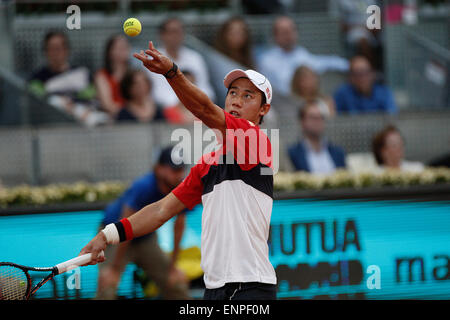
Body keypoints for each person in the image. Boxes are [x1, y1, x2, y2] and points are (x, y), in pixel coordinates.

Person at [79, 40, 277, 300]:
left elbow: (205, 109)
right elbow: (161, 210)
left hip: (251, 288)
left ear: (264, 110)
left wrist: (172, 72)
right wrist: (109, 234)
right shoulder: (207, 165)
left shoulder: (256, 140)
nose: (237, 101)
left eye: (248, 96)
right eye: (233, 93)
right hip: (216, 289)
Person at [96, 146, 191, 300]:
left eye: (182, 170)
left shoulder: (180, 188)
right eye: (174, 170)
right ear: (159, 169)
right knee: (108, 284)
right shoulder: (143, 186)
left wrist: (173, 268)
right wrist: (114, 268)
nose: (179, 175)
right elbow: (124, 225)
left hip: (145, 239)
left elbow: (179, 227)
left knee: (175, 283)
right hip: (116, 236)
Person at [29, 30, 108, 127]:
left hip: (87, 118)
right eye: (51, 49)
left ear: (66, 50)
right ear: (45, 51)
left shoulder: (82, 73)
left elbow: (91, 96)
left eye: (58, 48)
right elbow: (38, 100)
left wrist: (73, 104)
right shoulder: (37, 78)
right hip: (55, 123)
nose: (55, 53)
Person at [258, 15, 349, 96]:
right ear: (275, 36)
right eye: (284, 32)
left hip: (302, 100)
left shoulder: (301, 53)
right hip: (280, 105)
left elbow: (324, 62)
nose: (289, 35)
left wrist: (350, 65)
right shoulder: (266, 60)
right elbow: (279, 88)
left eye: (292, 30)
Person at [147, 17, 216, 111]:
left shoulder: (195, 58)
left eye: (179, 32)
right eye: (172, 32)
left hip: (196, 110)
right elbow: (157, 93)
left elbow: (206, 89)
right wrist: (181, 106)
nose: (175, 36)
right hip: (166, 113)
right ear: (162, 35)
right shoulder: (153, 59)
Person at [288, 102, 346, 174]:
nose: (318, 121)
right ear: (302, 122)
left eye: (321, 117)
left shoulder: (337, 152)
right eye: (313, 117)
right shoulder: (293, 154)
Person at [95, 34, 130, 118]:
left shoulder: (135, 74)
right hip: (114, 119)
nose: (123, 51)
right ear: (109, 52)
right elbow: (107, 105)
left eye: (125, 47)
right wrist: (130, 113)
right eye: (119, 48)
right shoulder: (102, 76)